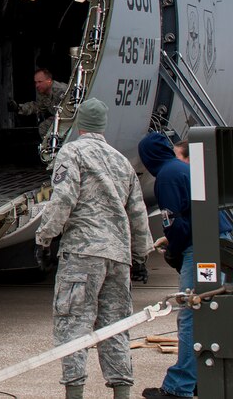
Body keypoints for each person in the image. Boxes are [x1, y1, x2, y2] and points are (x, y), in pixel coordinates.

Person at [35, 98, 153, 399]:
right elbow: (137, 211)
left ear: (79, 123)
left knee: (73, 324)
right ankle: (122, 393)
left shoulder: (72, 152)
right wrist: (140, 256)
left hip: (83, 253)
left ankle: (75, 393)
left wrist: (44, 238)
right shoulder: (121, 161)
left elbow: (62, 199)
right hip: (118, 255)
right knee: (116, 327)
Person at [138, 131, 233, 398]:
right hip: (218, 239)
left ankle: (179, 386)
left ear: (148, 157)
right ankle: (205, 378)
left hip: (201, 247)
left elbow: (176, 223)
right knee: (209, 312)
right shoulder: (183, 168)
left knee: (192, 313)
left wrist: (175, 249)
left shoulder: (166, 176)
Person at [9, 68, 68, 136]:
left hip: (71, 119)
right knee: (43, 127)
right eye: (36, 82)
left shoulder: (62, 90)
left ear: (48, 80)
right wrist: (19, 108)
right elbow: (38, 106)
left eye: (40, 82)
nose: (37, 85)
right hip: (60, 119)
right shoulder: (43, 92)